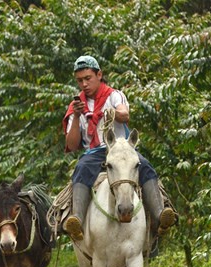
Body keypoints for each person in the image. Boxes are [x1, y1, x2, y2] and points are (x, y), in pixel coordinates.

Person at [61, 55, 176, 251]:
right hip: (94, 153)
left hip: (120, 149)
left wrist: (111, 113)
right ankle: (77, 221)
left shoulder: (114, 95)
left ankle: (160, 215)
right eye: (80, 80)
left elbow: (125, 114)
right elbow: (71, 145)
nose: (84, 84)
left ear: (99, 75)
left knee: (145, 166)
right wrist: (78, 115)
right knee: (80, 168)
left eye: (88, 78)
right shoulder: (76, 106)